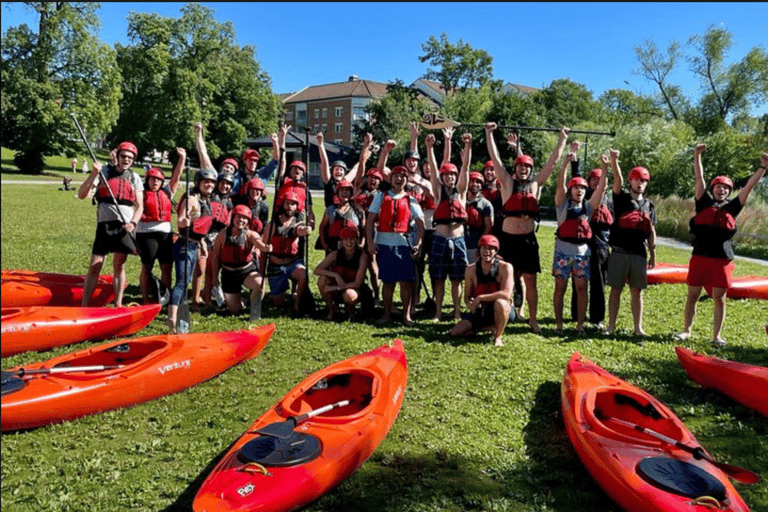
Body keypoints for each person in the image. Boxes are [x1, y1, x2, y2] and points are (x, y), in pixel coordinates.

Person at [675, 145, 767, 347]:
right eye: (718, 186)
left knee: (719, 298)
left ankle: (716, 335)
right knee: (692, 295)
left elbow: (748, 187)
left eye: (726, 188)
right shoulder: (703, 202)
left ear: (729, 192)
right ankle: (686, 330)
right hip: (699, 256)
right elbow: (699, 179)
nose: (722, 190)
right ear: (713, 188)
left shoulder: (733, 207)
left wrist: (762, 168)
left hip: (721, 260)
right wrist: (697, 155)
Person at [485, 122, 570, 333]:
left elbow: (552, 162)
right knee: (505, 278)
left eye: (527, 167)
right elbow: (495, 158)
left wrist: (562, 140)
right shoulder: (506, 182)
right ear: (515, 169)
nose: (524, 170)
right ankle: (500, 315)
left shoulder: (535, 184)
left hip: (527, 241)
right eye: (520, 167)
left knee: (531, 280)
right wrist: (489, 134)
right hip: (508, 240)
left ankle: (533, 320)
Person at [77, 141, 144, 308]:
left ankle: (118, 304)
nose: (126, 160)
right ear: (118, 157)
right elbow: (81, 194)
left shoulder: (134, 178)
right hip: (105, 226)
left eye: (130, 158)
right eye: (123, 156)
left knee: (119, 266)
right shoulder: (105, 172)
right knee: (95, 266)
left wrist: (133, 223)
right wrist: (94, 174)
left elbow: (140, 205)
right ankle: (84, 304)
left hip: (124, 226)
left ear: (133, 160)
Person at [552, 146, 609, 335]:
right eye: (577, 188)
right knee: (560, 287)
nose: (580, 191)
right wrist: (565, 164)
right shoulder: (562, 204)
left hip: (582, 253)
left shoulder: (589, 207)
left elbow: (601, 190)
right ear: (571, 190)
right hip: (562, 251)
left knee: (581, 288)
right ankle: (559, 325)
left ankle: (579, 325)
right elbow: (560, 184)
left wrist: (605, 167)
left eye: (583, 188)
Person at [604, 149, 657, 337]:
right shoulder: (622, 199)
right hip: (619, 251)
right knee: (616, 289)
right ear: (631, 181)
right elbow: (616, 181)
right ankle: (610, 326)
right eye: (636, 180)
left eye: (643, 181)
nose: (640, 183)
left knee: (637, 292)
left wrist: (653, 253)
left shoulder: (649, 206)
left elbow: (651, 230)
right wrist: (614, 161)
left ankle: (638, 328)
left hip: (639, 253)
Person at [366, 165, 425, 326]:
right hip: (384, 244)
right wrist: (370, 242)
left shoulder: (411, 199)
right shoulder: (381, 196)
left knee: (405, 282)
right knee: (388, 281)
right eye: (396, 176)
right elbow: (370, 220)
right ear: (390, 179)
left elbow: (420, 223)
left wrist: (418, 244)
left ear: (406, 180)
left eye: (403, 177)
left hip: (404, 245)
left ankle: (406, 315)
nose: (399, 179)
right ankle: (386, 313)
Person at [425, 131, 471, 322]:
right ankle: (438, 312)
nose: (450, 178)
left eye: (453, 175)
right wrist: (429, 147)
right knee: (439, 278)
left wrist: (468, 146)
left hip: (458, 240)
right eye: (447, 175)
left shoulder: (461, 192)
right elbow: (434, 169)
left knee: (457, 279)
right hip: (440, 238)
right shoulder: (437, 191)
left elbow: (466, 168)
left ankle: (457, 312)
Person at [166, 168, 216, 332]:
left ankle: (178, 314)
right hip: (184, 246)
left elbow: (200, 227)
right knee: (181, 282)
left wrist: (201, 242)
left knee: (185, 281)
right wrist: (185, 220)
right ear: (198, 183)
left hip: (194, 245)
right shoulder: (192, 199)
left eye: (211, 182)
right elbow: (181, 220)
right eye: (205, 182)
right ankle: (171, 318)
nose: (209, 185)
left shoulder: (204, 200)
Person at [135, 148, 185, 305]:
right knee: (146, 267)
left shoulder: (167, 192)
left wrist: (182, 159)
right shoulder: (141, 193)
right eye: (152, 179)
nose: (155, 182)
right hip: (146, 234)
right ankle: (145, 298)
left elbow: (176, 177)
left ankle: (164, 296)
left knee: (166, 267)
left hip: (165, 234)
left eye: (158, 180)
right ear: (147, 180)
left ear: (162, 182)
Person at [569, 155, 614, 329]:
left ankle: (597, 317)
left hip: (601, 245)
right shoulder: (585, 197)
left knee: (599, 282)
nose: (596, 182)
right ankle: (576, 314)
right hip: (583, 243)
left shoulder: (609, 201)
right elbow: (576, 176)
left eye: (599, 179)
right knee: (578, 280)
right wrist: (575, 161)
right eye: (593, 179)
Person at [449, 235, 514, 346]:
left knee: (501, 303)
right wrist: (470, 304)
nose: (487, 252)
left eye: (490, 248)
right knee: (455, 333)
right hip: (481, 310)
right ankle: (489, 328)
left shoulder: (505, 267)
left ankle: (498, 336)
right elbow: (467, 296)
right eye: (484, 248)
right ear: (479, 250)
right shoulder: (470, 269)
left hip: (501, 308)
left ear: (496, 251)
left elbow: (506, 294)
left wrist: (480, 298)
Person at [210, 204, 272, 320]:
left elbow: (259, 243)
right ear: (233, 218)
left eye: (244, 218)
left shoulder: (250, 234)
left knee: (259, 284)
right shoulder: (222, 235)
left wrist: (266, 248)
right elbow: (215, 258)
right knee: (235, 311)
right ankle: (239, 301)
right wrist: (214, 278)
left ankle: (254, 309)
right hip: (228, 274)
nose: (241, 221)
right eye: (238, 217)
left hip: (246, 271)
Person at [263, 191, 314, 317]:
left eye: (293, 204)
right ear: (282, 204)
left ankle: (298, 304)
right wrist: (261, 273)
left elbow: (299, 229)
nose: (289, 207)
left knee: (303, 274)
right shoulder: (273, 224)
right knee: (278, 303)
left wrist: (306, 229)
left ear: (297, 207)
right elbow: (263, 249)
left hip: (291, 264)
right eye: (287, 203)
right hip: (275, 266)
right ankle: (275, 293)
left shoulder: (297, 222)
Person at [314, 226, 374, 321]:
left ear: (357, 241)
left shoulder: (362, 257)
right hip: (338, 286)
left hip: (354, 289)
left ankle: (351, 311)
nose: (349, 242)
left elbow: (357, 283)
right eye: (345, 239)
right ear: (341, 242)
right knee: (322, 279)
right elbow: (317, 270)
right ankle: (331, 310)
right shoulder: (335, 254)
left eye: (352, 239)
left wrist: (334, 288)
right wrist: (335, 275)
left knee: (349, 294)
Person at [317, 179, 366, 255]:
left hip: (352, 248)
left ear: (351, 193)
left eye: (347, 190)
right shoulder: (330, 210)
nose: (344, 192)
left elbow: (363, 229)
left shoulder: (358, 210)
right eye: (341, 190)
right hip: (333, 248)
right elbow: (322, 227)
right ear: (337, 193)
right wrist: (324, 244)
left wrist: (361, 244)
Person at [317, 131, 359, 207]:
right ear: (332, 172)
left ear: (344, 173)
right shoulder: (329, 181)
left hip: (344, 214)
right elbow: (324, 161)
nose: (338, 171)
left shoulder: (345, 181)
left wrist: (367, 150)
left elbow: (356, 169)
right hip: (331, 214)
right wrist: (320, 144)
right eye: (336, 169)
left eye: (341, 170)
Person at [465, 171, 494, 264]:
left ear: (481, 185)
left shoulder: (486, 204)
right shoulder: (461, 201)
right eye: (472, 181)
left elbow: (489, 226)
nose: (475, 184)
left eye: (478, 182)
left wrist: (480, 244)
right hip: (461, 242)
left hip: (475, 243)